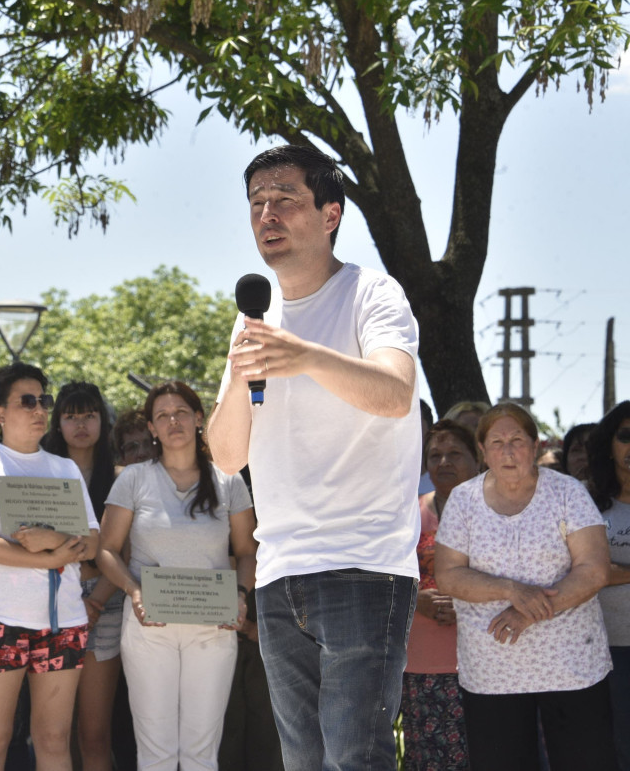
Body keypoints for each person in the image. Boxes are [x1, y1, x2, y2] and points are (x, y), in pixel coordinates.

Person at [207, 144, 421, 771]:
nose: (266, 214)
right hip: (279, 571)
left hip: (363, 563)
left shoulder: (372, 294)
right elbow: (225, 456)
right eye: (256, 203)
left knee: (356, 758)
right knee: (303, 762)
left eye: (284, 199)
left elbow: (395, 393)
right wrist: (245, 366)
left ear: (330, 214)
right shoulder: (254, 319)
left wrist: (303, 357)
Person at [434, 402, 614, 771]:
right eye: (496, 442)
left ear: (535, 446)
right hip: (492, 671)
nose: (508, 450)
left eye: (517, 439)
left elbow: (594, 570)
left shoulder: (568, 493)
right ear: (482, 451)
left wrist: (528, 612)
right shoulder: (463, 501)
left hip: (571, 667)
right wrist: (512, 590)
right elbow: (449, 574)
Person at [98, 381, 258, 770]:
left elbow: (248, 552)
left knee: (202, 752)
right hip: (150, 625)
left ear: (199, 418)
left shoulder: (229, 480)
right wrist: (133, 591)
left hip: (213, 628)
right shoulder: (133, 480)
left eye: (181, 412)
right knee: (156, 752)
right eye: (163, 416)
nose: (173, 422)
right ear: (151, 427)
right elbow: (105, 550)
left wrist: (239, 594)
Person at [0, 362, 100, 771]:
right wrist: (49, 558)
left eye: (44, 400)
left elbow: (93, 543)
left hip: (62, 621)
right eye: (28, 401)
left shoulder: (65, 467)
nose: (40, 409)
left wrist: (52, 543)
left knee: (54, 740)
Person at [40, 381, 124, 771]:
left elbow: (127, 553)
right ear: (57, 424)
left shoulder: (123, 477)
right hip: (50, 599)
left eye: (89, 415)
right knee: (51, 731)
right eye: (70, 416)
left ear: (102, 421)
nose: (80, 425)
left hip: (106, 600)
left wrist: (96, 601)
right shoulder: (41, 473)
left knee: (94, 734)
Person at [401, 419, 479, 771]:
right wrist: (417, 600)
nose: (443, 462)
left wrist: (470, 604)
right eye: (435, 455)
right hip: (423, 662)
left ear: (477, 460)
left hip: (488, 659)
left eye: (454, 454)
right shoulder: (409, 514)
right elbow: (385, 574)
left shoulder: (499, 512)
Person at [587, 401, 630, 770]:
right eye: (625, 437)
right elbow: (589, 571)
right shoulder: (587, 501)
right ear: (609, 444)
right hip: (603, 649)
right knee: (615, 749)